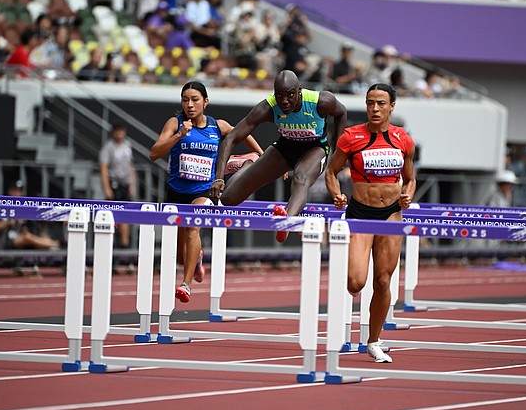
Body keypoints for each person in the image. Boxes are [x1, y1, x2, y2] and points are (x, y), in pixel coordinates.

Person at [325, 83, 416, 363]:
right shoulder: (351, 137)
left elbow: (410, 178)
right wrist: (337, 195)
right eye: (370, 103)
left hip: (391, 214)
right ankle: (347, 324)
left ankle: (374, 341)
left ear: (391, 106)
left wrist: (407, 196)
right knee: (355, 283)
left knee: (383, 280)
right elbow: (331, 171)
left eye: (380, 103)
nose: (375, 109)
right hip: (360, 213)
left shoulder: (403, 139)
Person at [150, 81, 263, 303]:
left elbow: (241, 132)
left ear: (205, 102)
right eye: (185, 100)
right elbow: (154, 154)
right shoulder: (175, 123)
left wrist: (262, 153)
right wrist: (179, 136)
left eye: (194, 100)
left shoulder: (217, 126)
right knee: (182, 256)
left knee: (193, 226)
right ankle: (197, 260)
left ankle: (186, 284)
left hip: (205, 190)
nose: (189, 105)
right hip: (176, 190)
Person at [210, 70, 348, 243]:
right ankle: (248, 165)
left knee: (300, 178)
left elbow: (341, 112)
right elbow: (231, 137)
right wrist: (218, 178)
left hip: (315, 148)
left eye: (290, 95)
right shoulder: (268, 107)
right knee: (228, 199)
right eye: (279, 96)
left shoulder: (320, 101)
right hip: (285, 146)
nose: (284, 101)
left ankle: (286, 223)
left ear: (299, 90)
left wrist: (338, 154)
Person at [0, 180, 60, 251]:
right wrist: (8, 223)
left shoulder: (23, 207)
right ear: (9, 191)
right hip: (4, 241)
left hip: (18, 238)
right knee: (27, 237)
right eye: (14, 190)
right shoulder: (1, 206)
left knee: (39, 235)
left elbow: (32, 226)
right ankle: (53, 245)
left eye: (19, 191)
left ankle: (54, 246)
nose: (17, 194)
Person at [100, 122, 135, 248]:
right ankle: (111, 243)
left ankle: (125, 242)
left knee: (126, 213)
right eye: (118, 131)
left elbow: (130, 166)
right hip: (114, 182)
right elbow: (104, 168)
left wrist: (132, 184)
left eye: (122, 131)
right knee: (114, 213)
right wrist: (107, 188)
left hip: (125, 183)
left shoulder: (127, 145)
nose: (120, 134)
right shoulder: (108, 147)